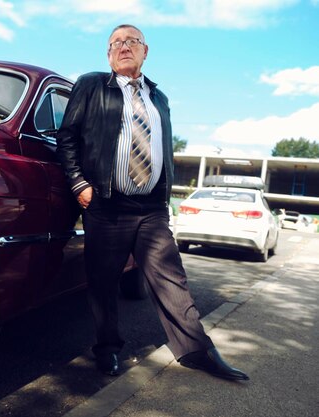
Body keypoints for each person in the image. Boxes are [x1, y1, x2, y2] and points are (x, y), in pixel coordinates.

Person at [56, 24, 248, 380]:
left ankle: (197, 351)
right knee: (104, 282)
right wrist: (79, 183)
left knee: (172, 279)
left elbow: (163, 149)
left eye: (132, 41)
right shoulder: (92, 85)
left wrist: (165, 190)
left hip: (151, 207)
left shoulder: (159, 98)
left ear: (146, 51)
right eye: (115, 43)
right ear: (108, 55)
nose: (123, 46)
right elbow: (66, 137)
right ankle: (108, 349)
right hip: (108, 204)